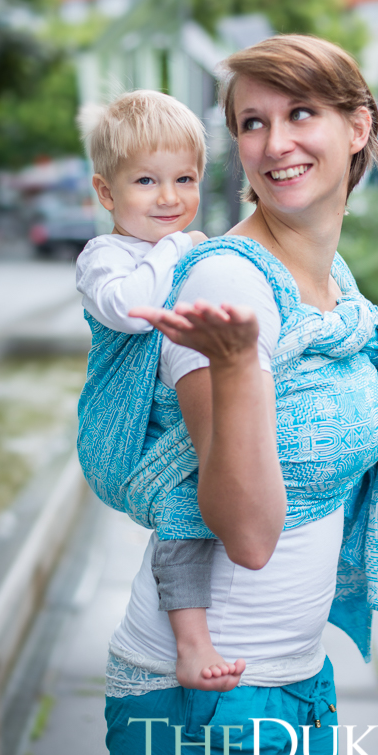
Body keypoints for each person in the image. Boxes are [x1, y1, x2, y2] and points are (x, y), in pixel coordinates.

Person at [78, 35, 378, 755]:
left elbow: (325, 425)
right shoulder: (227, 283)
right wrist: (232, 367)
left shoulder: (330, 279)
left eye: (301, 113)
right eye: (252, 122)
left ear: (358, 127)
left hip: (297, 688)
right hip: (198, 708)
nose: (274, 142)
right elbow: (249, 534)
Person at [76, 89, 246, 692]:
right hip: (122, 428)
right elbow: (130, 309)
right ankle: (191, 642)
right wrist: (176, 247)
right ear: (106, 193)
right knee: (185, 511)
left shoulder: (178, 249)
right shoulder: (105, 256)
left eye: (184, 179)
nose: (170, 198)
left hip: (163, 415)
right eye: (146, 181)